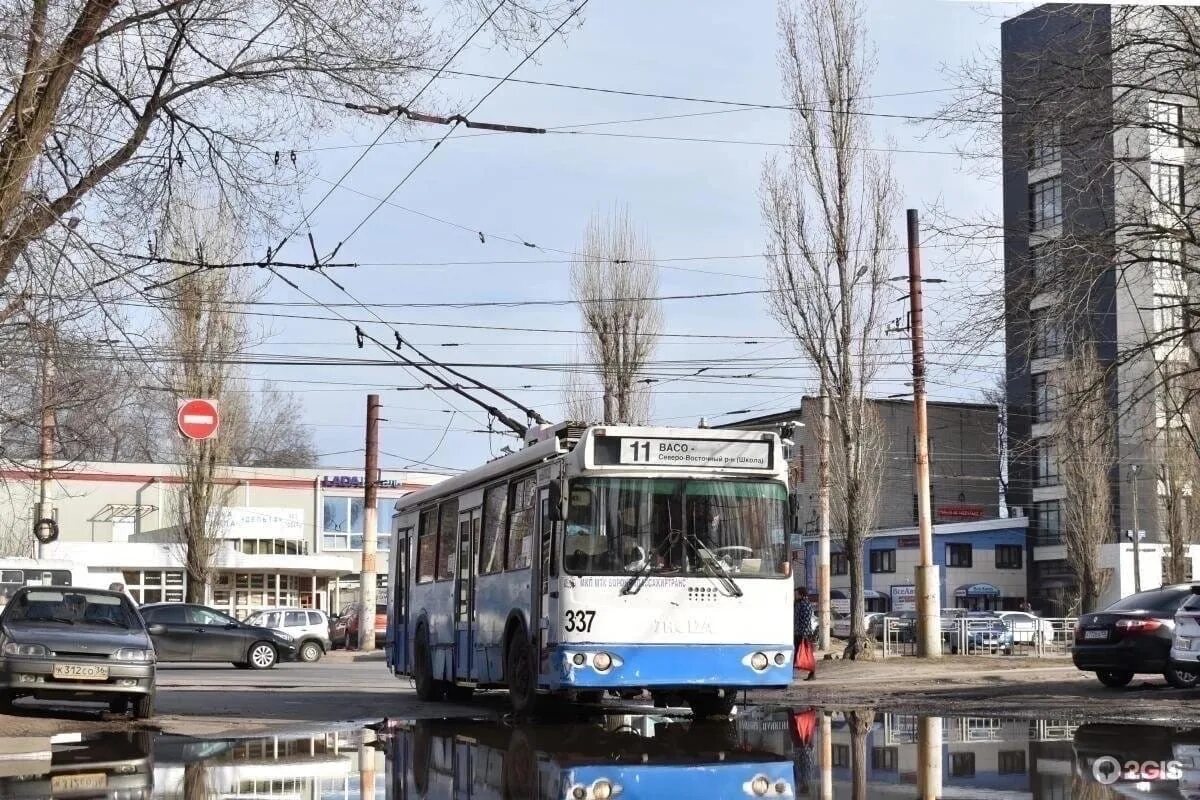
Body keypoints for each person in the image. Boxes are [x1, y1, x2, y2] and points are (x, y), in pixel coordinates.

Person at [794, 587, 817, 681]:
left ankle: (812, 673)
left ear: (801, 594)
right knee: (797, 652)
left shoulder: (805, 604)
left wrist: (804, 633)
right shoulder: (799, 603)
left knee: (806, 653)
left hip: (803, 633)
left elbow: (806, 620)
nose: (795, 595)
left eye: (797, 593)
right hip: (798, 632)